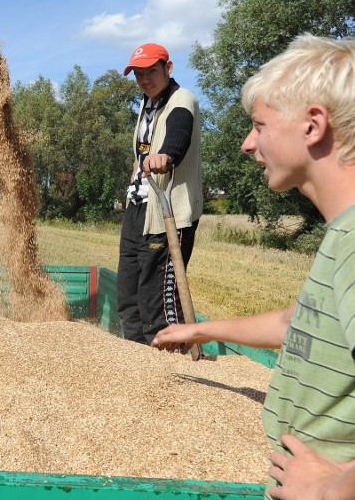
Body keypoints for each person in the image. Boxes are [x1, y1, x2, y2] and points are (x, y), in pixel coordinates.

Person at [151, 34, 355, 500]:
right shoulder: (343, 235)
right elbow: (297, 323)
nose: (247, 144)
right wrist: (201, 331)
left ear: (313, 125)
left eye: (260, 125)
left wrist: (334, 489)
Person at [116, 43, 203, 345]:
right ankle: (136, 359)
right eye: (139, 74)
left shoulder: (182, 99)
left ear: (168, 67)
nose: (145, 79)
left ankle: (167, 368)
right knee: (128, 294)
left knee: (156, 302)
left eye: (151, 71)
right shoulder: (146, 104)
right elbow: (142, 151)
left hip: (170, 212)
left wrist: (166, 155)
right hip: (139, 208)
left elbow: (179, 132)